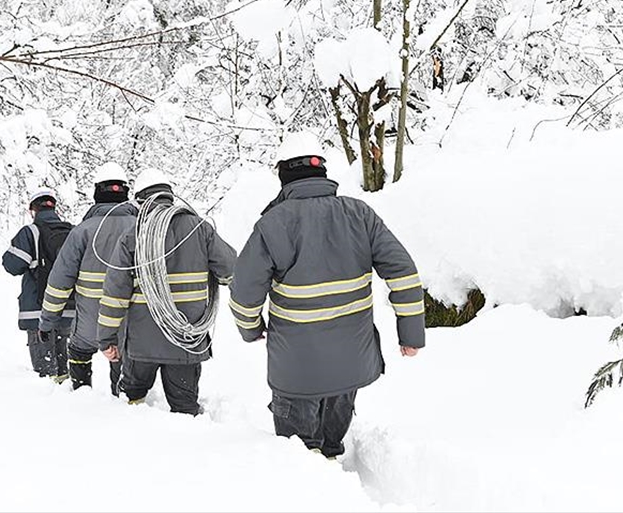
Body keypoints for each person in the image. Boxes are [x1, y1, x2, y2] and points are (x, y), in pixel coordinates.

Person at [229, 131, 425, 459]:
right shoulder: (360, 215)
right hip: (351, 364)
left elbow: (244, 293)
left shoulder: (272, 224)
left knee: (298, 456)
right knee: (330, 445)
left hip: (296, 371)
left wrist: (251, 329)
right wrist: (411, 334)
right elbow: (404, 273)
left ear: (283, 175)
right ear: (322, 171)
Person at [97, 169, 236, 415]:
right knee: (184, 408)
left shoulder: (133, 237)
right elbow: (231, 271)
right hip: (185, 342)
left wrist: (106, 339)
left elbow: (115, 293)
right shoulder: (199, 229)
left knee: (133, 402)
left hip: (141, 345)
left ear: (140, 201)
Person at [39, 162, 136, 394]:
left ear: (96, 194)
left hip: (89, 322)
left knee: (80, 352)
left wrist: (47, 321)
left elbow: (59, 282)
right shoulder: (142, 227)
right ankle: (121, 398)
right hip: (131, 319)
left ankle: (82, 396)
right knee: (122, 360)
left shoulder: (82, 231)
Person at [2, 188, 75, 381]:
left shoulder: (30, 232)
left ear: (33, 210)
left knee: (45, 375)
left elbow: (12, 265)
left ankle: (48, 404)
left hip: (38, 312)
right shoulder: (72, 232)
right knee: (63, 367)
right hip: (68, 309)